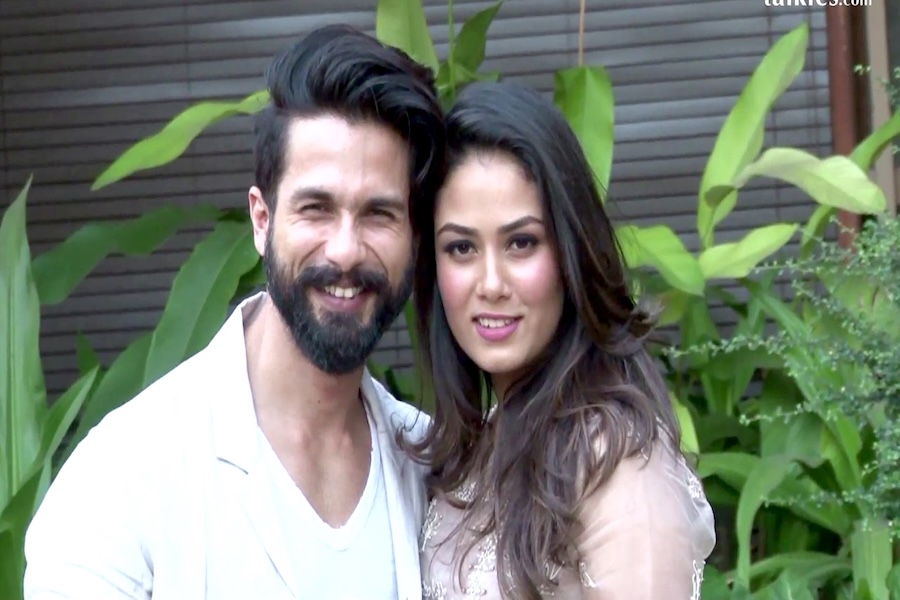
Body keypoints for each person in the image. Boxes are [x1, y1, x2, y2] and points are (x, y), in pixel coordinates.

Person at [24, 24, 445, 600]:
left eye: (379, 214)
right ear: (261, 220)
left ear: (414, 237)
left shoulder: (432, 466)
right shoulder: (121, 477)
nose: (346, 250)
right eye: (316, 208)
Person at [410, 82, 716, 599]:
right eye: (461, 247)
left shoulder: (616, 463)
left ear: (571, 250)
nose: (491, 283)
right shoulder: (480, 445)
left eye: (521, 243)